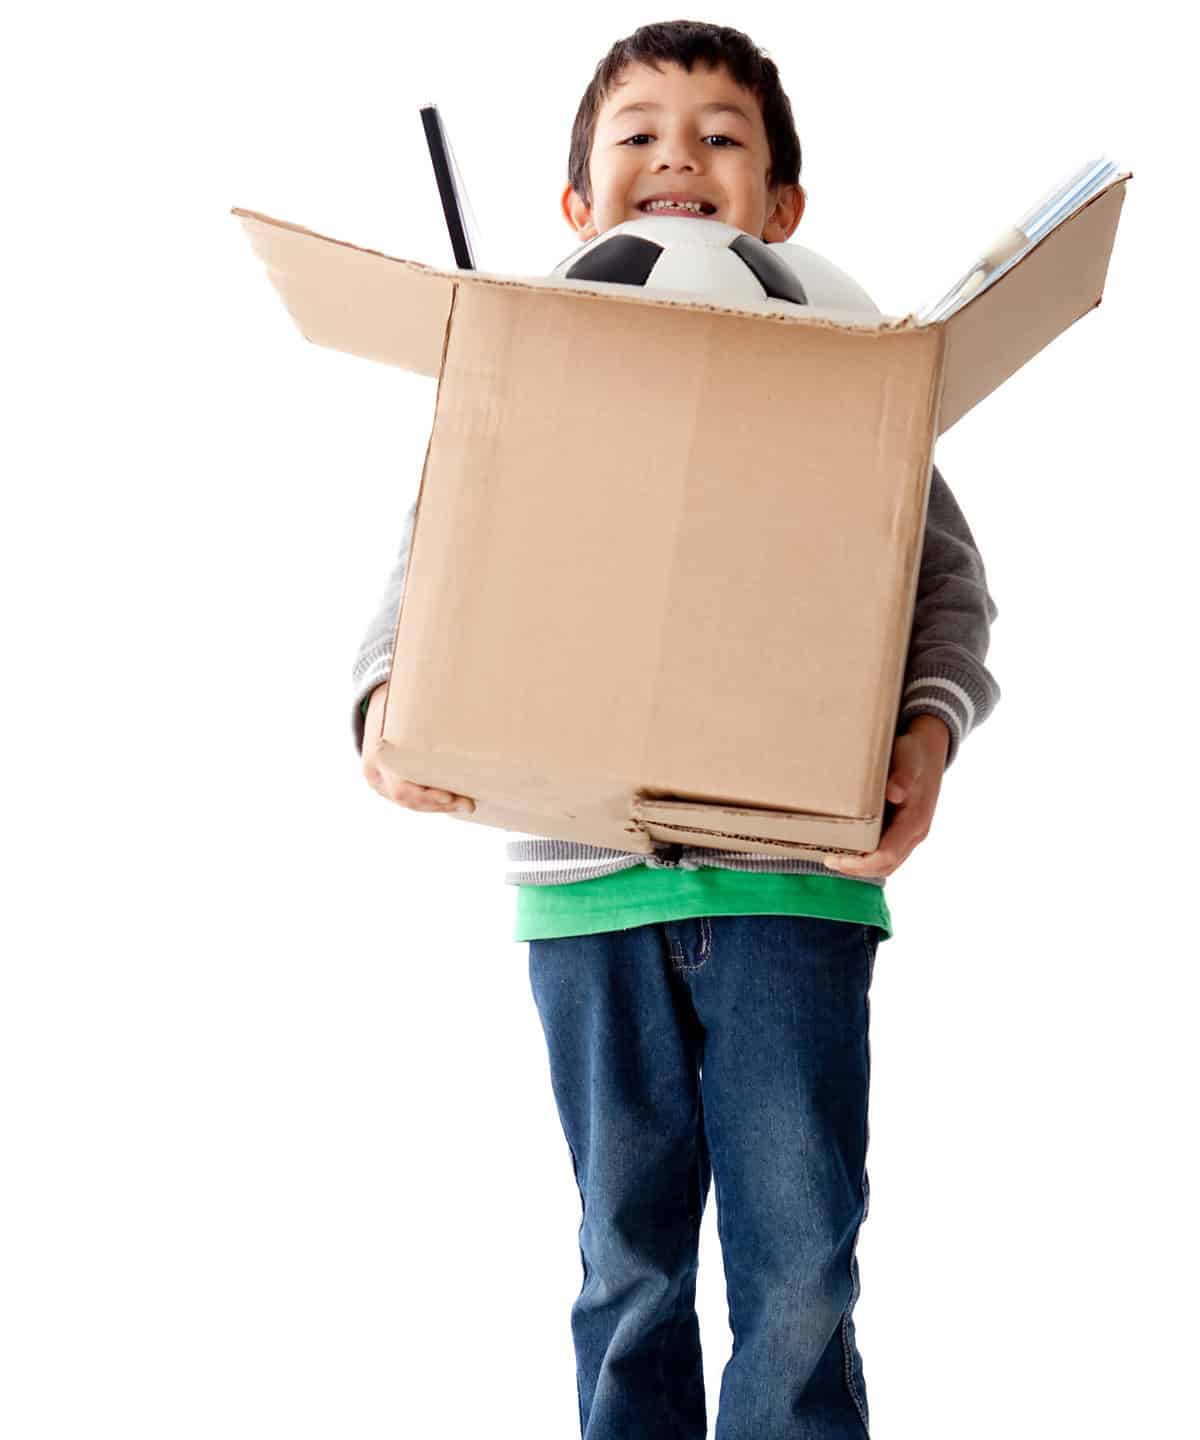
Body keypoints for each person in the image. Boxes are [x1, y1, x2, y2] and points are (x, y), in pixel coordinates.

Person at [353, 20, 1000, 1440]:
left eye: (720, 136)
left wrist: (928, 738)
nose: (677, 159)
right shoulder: (519, 398)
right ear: (578, 211)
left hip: (794, 882)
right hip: (585, 890)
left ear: (782, 212)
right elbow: (430, 575)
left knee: (802, 1263)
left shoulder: (847, 387)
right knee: (627, 1262)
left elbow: (945, 587)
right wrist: (387, 703)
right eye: (636, 135)